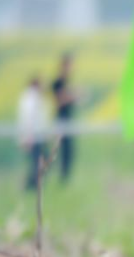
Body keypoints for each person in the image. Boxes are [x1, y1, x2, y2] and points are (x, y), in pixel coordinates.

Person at [17, 76, 51, 191]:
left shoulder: (33, 98)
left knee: (40, 162)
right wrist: (28, 137)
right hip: (33, 138)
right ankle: (31, 186)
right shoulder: (30, 99)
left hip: (38, 136)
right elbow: (28, 119)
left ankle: (34, 185)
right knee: (37, 163)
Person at [50, 52, 77, 183]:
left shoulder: (66, 82)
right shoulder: (58, 82)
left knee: (69, 151)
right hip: (61, 119)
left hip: (67, 118)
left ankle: (64, 178)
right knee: (61, 149)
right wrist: (74, 96)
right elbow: (59, 100)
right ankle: (60, 178)